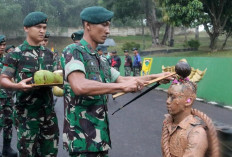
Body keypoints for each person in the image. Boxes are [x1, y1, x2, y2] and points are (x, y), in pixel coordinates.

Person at [62, 6, 172, 157]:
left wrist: (157, 77)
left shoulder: (100, 58)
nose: (108, 30)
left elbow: (124, 79)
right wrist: (122, 86)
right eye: (104, 25)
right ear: (88, 25)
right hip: (81, 140)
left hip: (100, 138)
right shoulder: (74, 51)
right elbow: (79, 85)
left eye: (109, 25)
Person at [0, 12, 59, 157]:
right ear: (26, 28)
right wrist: (17, 86)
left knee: (50, 153)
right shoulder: (15, 54)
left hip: (48, 115)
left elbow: (58, 77)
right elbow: (3, 79)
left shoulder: (49, 55)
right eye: (38, 27)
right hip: (26, 116)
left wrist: (61, 82)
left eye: (44, 27)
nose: (42, 31)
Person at [161, 78, 209, 157]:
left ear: (189, 100)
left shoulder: (196, 134)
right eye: (168, 96)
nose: (168, 101)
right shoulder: (167, 123)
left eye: (173, 97)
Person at [0, 35, 18, 157]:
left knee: (8, 122)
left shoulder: (6, 60)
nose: (2, 47)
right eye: (0, 45)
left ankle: (7, 148)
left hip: (7, 97)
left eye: (3, 45)